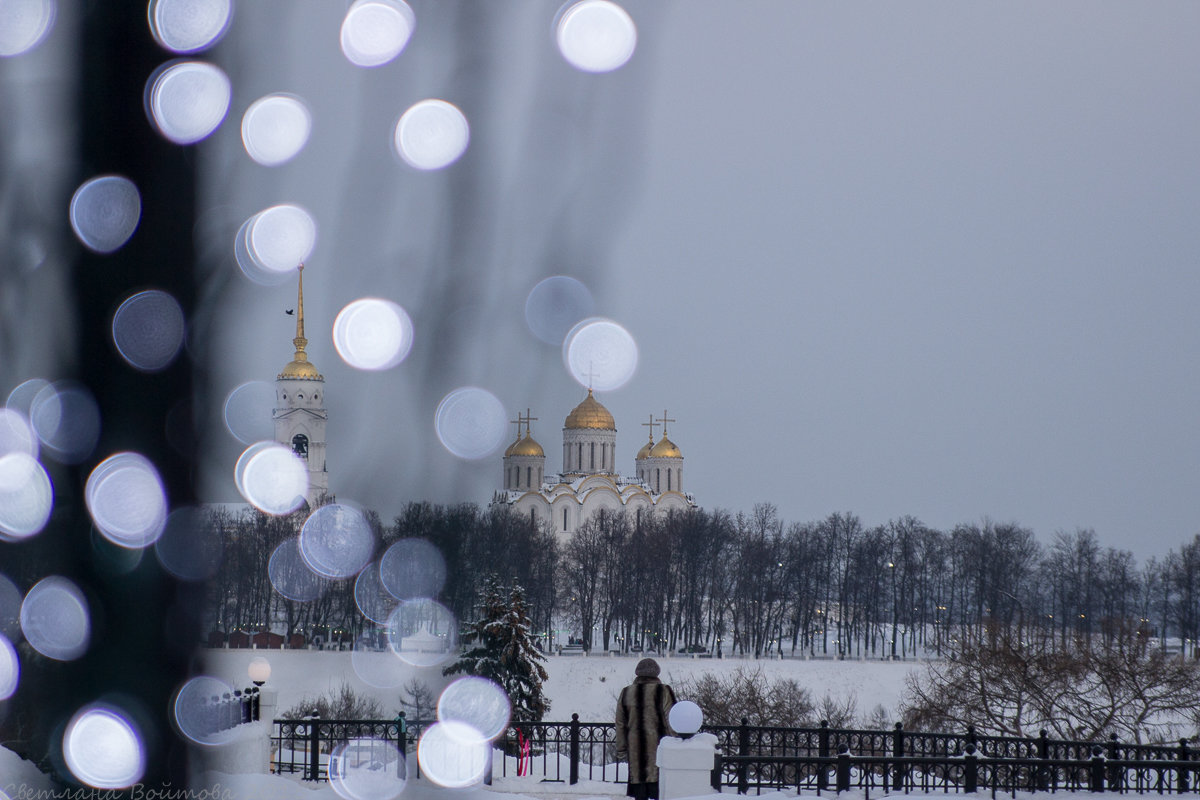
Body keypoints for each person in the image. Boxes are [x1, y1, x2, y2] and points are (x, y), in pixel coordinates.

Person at [614, 658, 676, 800]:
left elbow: (620, 723)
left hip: (635, 751)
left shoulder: (626, 692)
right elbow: (671, 719)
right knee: (659, 790)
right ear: (656, 674)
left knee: (639, 790)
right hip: (659, 748)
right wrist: (676, 742)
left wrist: (621, 748)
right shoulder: (664, 691)